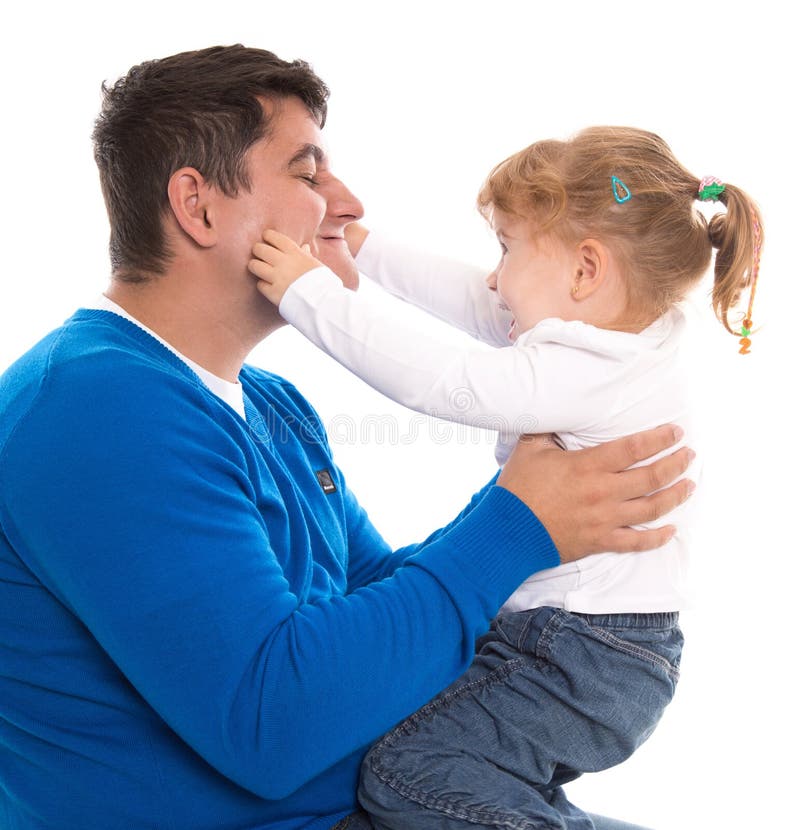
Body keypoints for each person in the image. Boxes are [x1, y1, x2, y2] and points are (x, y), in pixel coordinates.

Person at [0, 47, 692, 830]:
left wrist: (541, 521)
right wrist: (519, 523)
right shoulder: (94, 411)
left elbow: (383, 610)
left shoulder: (270, 405)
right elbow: (275, 726)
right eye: (307, 172)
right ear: (199, 206)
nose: (347, 200)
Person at [248, 127, 762, 829]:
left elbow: (442, 381)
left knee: (409, 774)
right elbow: (476, 302)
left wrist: (311, 295)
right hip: (586, 647)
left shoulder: (586, 371)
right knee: (465, 772)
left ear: (585, 271)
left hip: (581, 654)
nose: (494, 276)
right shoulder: (619, 337)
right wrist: (364, 251)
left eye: (507, 248)